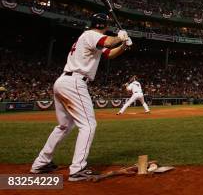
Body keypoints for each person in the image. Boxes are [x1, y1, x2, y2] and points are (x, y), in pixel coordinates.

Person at [30, 13, 131, 181]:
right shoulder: (91, 35)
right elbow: (108, 41)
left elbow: (109, 54)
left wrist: (124, 45)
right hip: (75, 82)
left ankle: (40, 163)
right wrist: (119, 37)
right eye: (106, 27)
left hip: (64, 81)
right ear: (102, 26)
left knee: (64, 126)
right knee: (89, 125)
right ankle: (77, 169)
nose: (107, 29)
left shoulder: (89, 38)